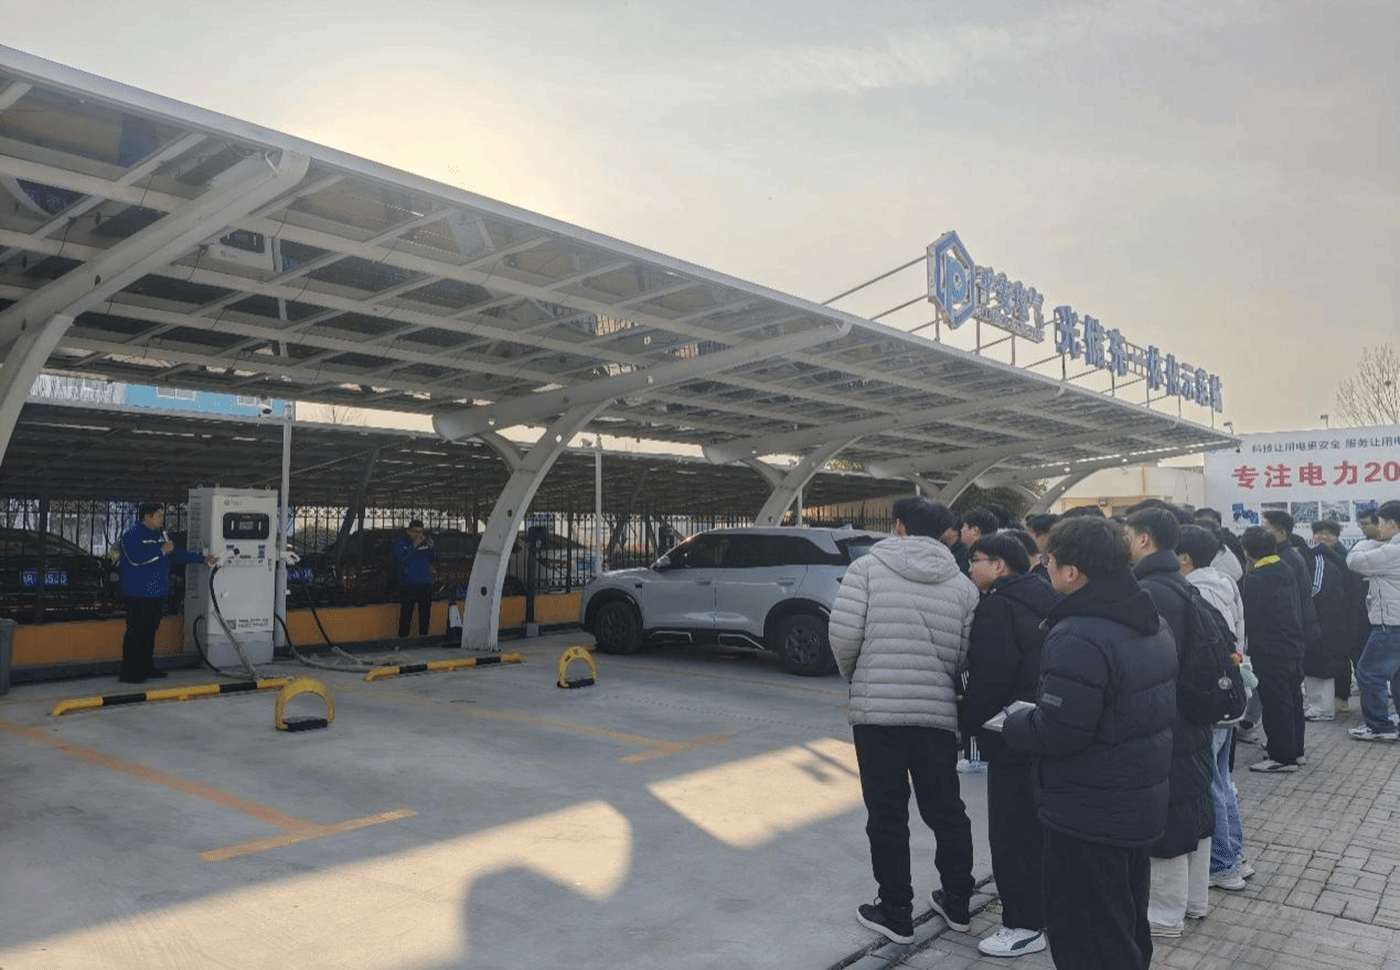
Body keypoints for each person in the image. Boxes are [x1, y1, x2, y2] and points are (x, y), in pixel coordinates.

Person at [1001, 516, 1176, 970]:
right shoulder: (1150, 620)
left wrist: (1016, 724)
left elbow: (1061, 731)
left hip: (1088, 815)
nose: (1045, 567)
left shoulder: (1079, 634)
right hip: (1134, 804)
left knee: (1088, 938)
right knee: (1125, 925)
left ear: (1072, 572)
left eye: (1050, 560)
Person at [829, 496, 980, 945]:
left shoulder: (866, 570)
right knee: (946, 809)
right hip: (936, 714)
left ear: (897, 527)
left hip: (878, 714)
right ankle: (958, 901)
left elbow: (843, 635)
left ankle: (896, 911)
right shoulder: (963, 585)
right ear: (944, 534)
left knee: (887, 811)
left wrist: (859, 676)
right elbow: (964, 655)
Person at [960, 532, 1061, 958]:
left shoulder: (997, 606)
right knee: (1041, 830)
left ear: (999, 565)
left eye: (976, 560)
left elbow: (989, 678)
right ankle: (1048, 913)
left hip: (1010, 734)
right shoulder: (1047, 595)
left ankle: (1023, 924)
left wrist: (968, 724)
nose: (970, 567)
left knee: (1011, 832)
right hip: (1047, 729)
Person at [1123, 508, 1215, 939]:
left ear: (1144, 539)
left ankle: (1163, 914)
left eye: (1127, 533)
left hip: (1168, 717)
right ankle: (1194, 901)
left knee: (1170, 811)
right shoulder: (1181, 583)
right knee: (1193, 805)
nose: (1124, 540)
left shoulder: (1149, 591)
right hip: (1193, 715)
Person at [1176, 525, 1252, 892]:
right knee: (1221, 781)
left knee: (1211, 785)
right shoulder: (1224, 581)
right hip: (1229, 697)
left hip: (1213, 702)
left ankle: (1222, 865)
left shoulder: (1199, 590)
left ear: (1184, 558)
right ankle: (1234, 857)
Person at [117, 501, 216, 684]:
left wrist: (201, 558)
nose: (162, 519)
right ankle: (130, 671)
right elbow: (136, 559)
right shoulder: (132, 536)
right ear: (147, 517)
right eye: (159, 515)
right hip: (138, 593)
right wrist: (161, 551)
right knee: (136, 631)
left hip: (156, 592)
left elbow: (176, 554)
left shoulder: (159, 536)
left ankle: (146, 666)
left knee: (150, 630)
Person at [1240, 526, 1307, 768]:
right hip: (1293, 645)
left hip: (1270, 650)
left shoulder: (1257, 579)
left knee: (1275, 703)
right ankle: (1296, 751)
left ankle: (1281, 757)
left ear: (1247, 551)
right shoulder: (1285, 568)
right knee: (1292, 700)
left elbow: (1250, 618)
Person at [1346, 500, 1400, 743]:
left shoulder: (1392, 551)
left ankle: (1379, 726)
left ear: (1391, 523)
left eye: (1380, 523)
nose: (1377, 528)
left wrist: (1368, 542)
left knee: (1368, 672)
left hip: (1391, 624)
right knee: (1397, 674)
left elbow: (1354, 561)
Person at [1303, 523, 1351, 722]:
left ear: (1337, 537)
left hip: (1336, 618)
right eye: (1318, 533)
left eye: (1328, 533)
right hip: (1334, 618)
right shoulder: (1321, 555)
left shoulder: (1332, 557)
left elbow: (1316, 590)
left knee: (1330, 661)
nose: (1322, 537)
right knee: (1335, 660)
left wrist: (1300, 602)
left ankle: (1333, 703)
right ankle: (1337, 701)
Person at [393, 519, 438, 638]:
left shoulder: (425, 544)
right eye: (415, 532)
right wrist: (414, 545)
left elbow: (433, 558)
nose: (418, 535)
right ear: (409, 532)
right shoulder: (402, 543)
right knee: (406, 614)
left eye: (420, 532)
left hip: (425, 583)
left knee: (424, 614)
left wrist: (431, 547)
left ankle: (423, 637)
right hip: (408, 584)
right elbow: (401, 557)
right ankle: (403, 638)